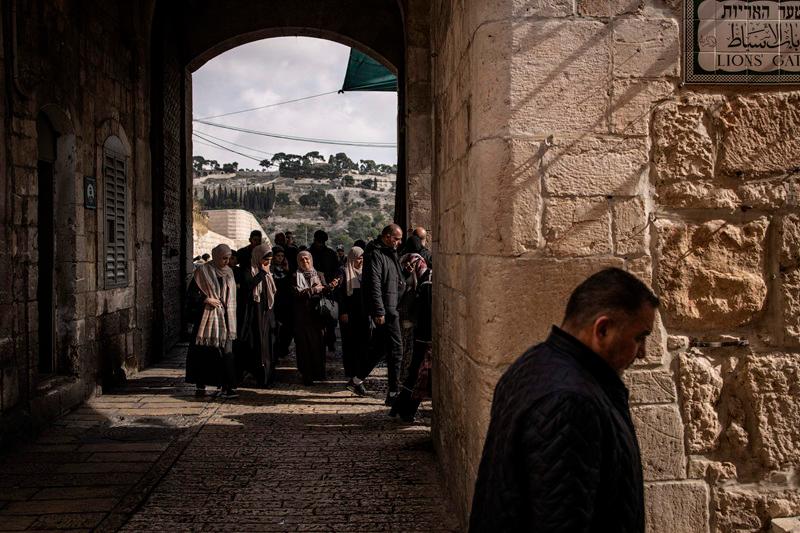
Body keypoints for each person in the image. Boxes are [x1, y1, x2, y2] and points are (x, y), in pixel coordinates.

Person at [468, 268, 658, 532]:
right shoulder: (572, 401)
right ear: (602, 329)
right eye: (640, 337)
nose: (643, 353)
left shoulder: (533, 363)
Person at [185, 244, 239, 399]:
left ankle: (228, 386)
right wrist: (205, 299)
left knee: (226, 353)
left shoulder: (229, 272)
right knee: (204, 353)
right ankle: (200, 385)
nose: (226, 261)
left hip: (226, 319)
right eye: (223, 258)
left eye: (228, 258)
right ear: (215, 256)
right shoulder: (202, 271)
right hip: (206, 319)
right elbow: (191, 294)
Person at [360, 224, 405, 405]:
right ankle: (393, 392)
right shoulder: (375, 254)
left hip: (392, 306)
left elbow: (393, 278)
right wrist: (379, 310)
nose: (399, 242)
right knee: (396, 351)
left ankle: (356, 379)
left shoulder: (389, 253)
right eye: (397, 239)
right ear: (387, 237)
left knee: (379, 348)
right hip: (387, 310)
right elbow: (375, 284)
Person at [389, 253, 432, 421]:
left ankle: (402, 409)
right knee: (417, 374)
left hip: (424, 336)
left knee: (417, 374)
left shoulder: (426, 281)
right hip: (422, 336)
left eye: (409, 265)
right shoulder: (420, 279)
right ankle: (404, 410)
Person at [292, 251, 339, 385]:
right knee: (304, 347)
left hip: (318, 317)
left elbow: (324, 290)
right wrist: (313, 290)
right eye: (301, 260)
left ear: (311, 260)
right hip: (302, 317)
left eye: (307, 259)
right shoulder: (295, 276)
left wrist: (330, 287)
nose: (305, 262)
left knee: (318, 345)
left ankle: (319, 372)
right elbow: (295, 294)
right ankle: (307, 375)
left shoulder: (319, 274)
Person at [235, 244, 277, 387]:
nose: (268, 263)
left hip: (266, 314)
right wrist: (262, 274)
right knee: (255, 346)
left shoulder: (268, 272)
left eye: (270, 260)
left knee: (267, 346)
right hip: (253, 315)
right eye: (266, 260)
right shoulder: (249, 270)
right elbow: (247, 287)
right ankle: (255, 375)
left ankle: (267, 377)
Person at [335, 246, 371, 395]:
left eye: (362, 258)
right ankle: (353, 375)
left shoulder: (366, 272)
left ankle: (359, 375)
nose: (360, 261)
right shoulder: (343, 272)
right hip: (349, 316)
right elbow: (340, 294)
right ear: (352, 258)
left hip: (363, 315)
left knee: (364, 345)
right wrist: (342, 311)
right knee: (351, 346)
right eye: (358, 258)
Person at [309, 230, 340, 353]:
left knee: (330, 319)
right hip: (312, 291)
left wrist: (331, 281)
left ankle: (330, 342)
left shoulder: (330, 254)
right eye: (318, 241)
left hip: (328, 291)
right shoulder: (309, 253)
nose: (320, 244)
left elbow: (336, 271)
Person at [271, 245, 293, 361]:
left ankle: (282, 349)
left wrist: (287, 270)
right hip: (274, 303)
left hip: (286, 304)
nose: (280, 258)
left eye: (282, 256)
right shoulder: (269, 270)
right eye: (277, 256)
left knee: (286, 330)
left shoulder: (287, 271)